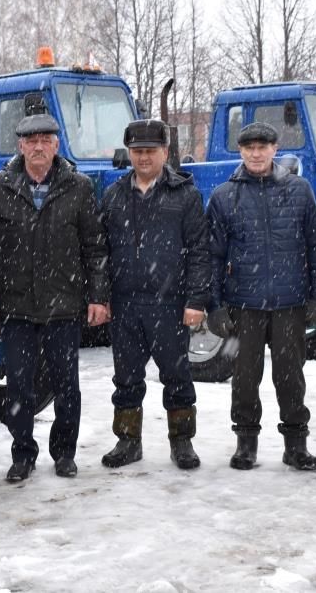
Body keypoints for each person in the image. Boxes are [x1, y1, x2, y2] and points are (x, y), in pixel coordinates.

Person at [0, 93, 110, 482]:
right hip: (16, 306)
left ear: (56, 145)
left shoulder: (79, 187)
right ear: (20, 146)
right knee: (19, 386)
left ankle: (64, 453)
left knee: (66, 384)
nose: (38, 147)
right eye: (30, 141)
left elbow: (95, 247)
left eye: (45, 140)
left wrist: (98, 295)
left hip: (64, 304)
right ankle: (22, 455)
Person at [207, 121, 316, 472]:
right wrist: (214, 305)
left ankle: (296, 444)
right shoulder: (225, 196)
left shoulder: (299, 190)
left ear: (275, 149)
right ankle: (246, 443)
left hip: (290, 302)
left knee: (290, 376)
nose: (256, 154)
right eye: (249, 148)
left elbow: (315, 248)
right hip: (244, 304)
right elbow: (212, 255)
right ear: (240, 152)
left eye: (263, 147)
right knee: (244, 378)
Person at [99, 119, 210, 470]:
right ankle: (128, 441)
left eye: (150, 151)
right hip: (126, 303)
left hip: (170, 303)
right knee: (127, 378)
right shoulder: (114, 195)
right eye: (137, 151)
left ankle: (182, 442)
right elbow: (100, 252)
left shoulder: (185, 194)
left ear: (165, 152)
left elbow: (199, 250)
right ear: (129, 153)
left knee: (177, 376)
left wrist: (195, 300)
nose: (143, 158)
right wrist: (102, 298)